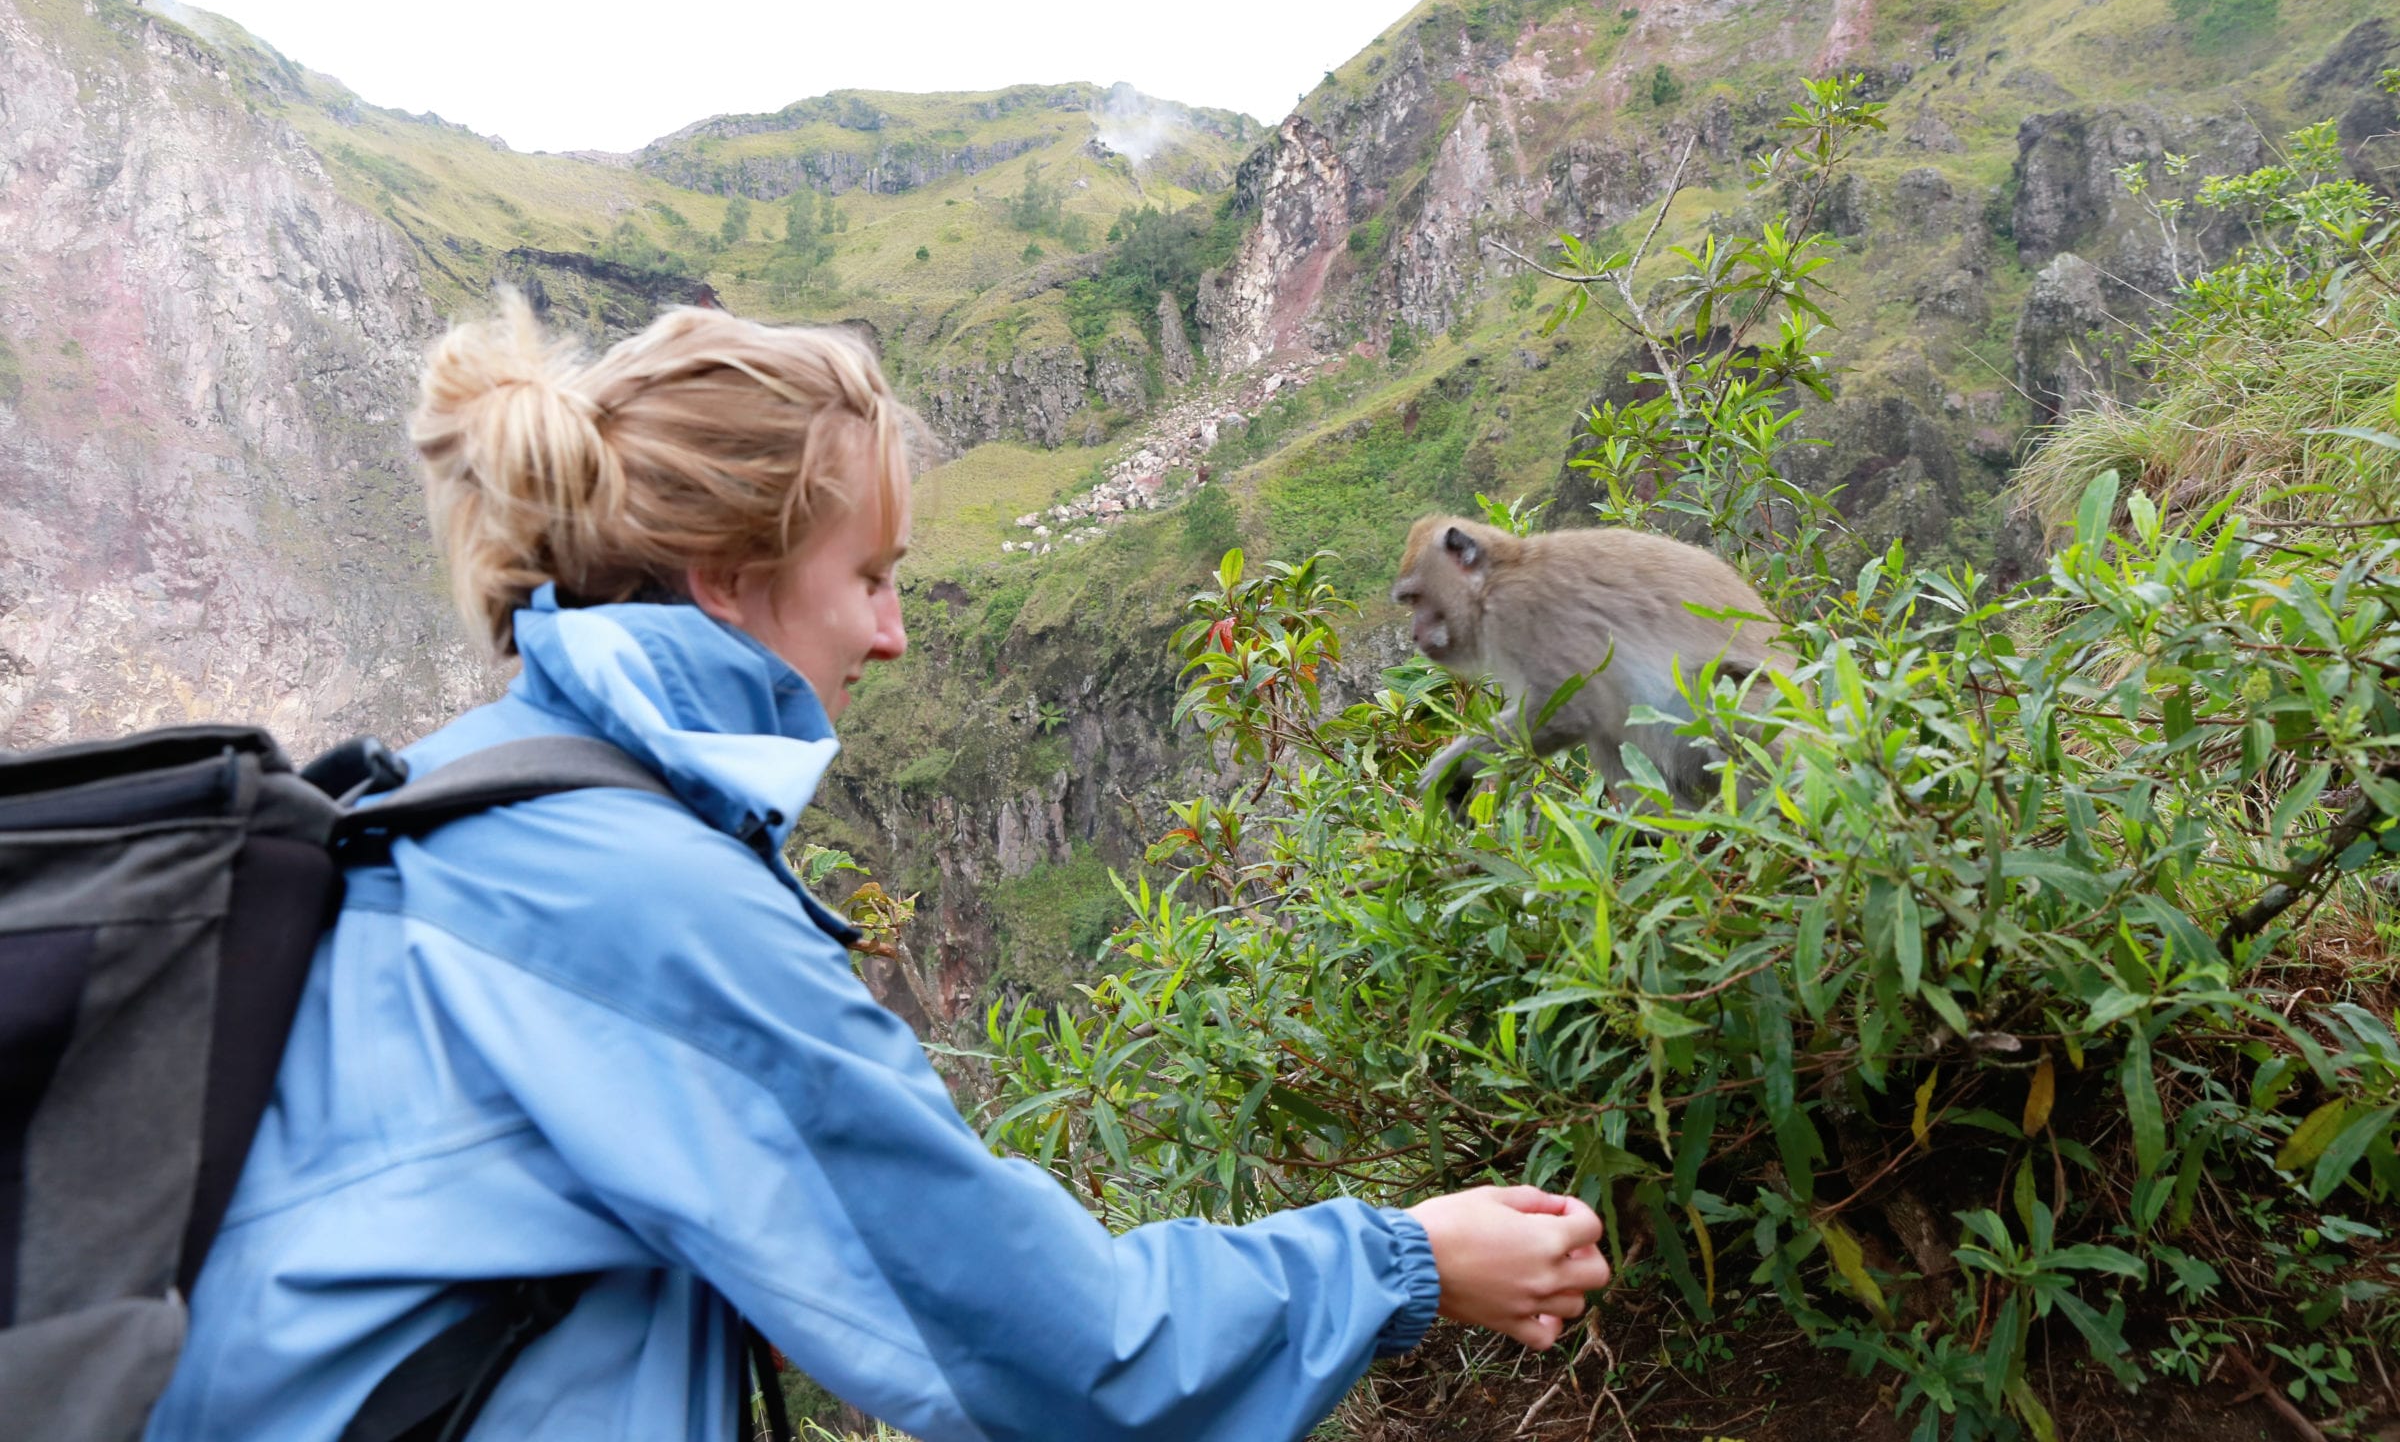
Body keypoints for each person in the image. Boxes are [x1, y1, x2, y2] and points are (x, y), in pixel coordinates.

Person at [146, 298, 1612, 1442]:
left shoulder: (470, 791)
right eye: (871, 574)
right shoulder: (647, 902)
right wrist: (1407, 1261)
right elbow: (1066, 1353)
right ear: (726, 577)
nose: (896, 632)